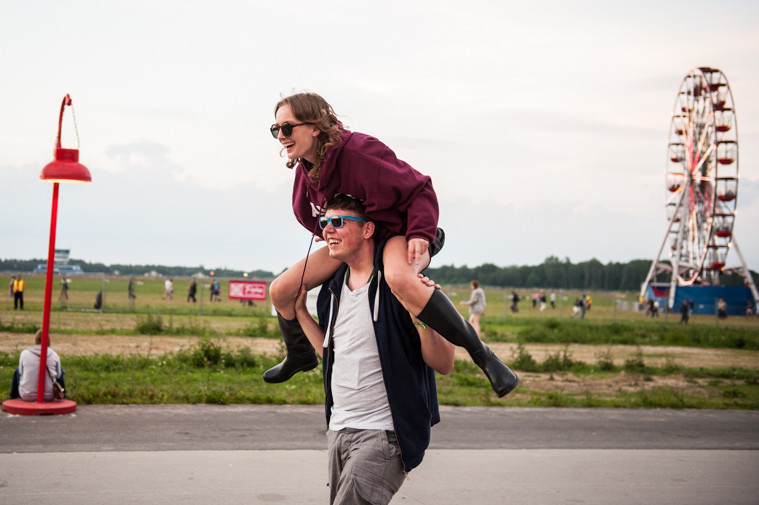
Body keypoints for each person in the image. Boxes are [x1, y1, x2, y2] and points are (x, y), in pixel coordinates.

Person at [265, 92, 517, 397]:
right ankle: (300, 354)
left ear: (315, 126)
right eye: (275, 129)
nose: (281, 136)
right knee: (280, 290)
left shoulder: (360, 151)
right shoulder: (307, 167)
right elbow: (304, 212)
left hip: (399, 232)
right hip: (357, 238)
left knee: (397, 276)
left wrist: (420, 233)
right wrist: (329, 232)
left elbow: (420, 188)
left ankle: (484, 357)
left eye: (287, 127)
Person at [293, 195, 458, 504]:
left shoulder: (402, 285)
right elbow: (332, 355)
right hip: (339, 427)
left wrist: (421, 318)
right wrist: (302, 313)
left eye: (339, 222)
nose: (328, 229)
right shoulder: (332, 289)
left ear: (368, 229)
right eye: (325, 222)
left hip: (383, 434)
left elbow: (445, 363)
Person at [10, 330, 65, 401]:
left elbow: (21, 372)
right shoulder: (54, 355)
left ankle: (13, 397)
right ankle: (63, 393)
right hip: (50, 396)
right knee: (60, 371)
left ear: (35, 340)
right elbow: (58, 375)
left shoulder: (25, 353)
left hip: (27, 395)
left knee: (17, 371)